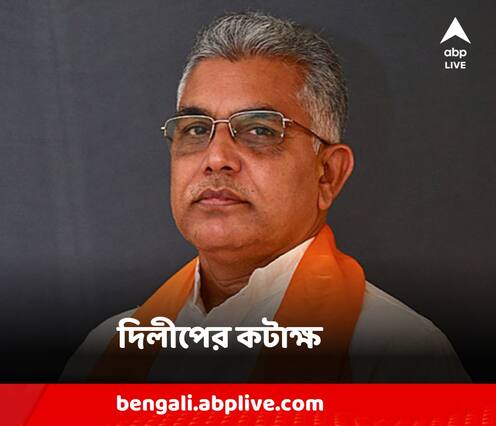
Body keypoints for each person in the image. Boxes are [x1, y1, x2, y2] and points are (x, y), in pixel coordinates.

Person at [62, 12, 469, 383]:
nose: (216, 159)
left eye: (259, 130)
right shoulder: (106, 352)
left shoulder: (397, 357)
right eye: (196, 129)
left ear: (327, 174)